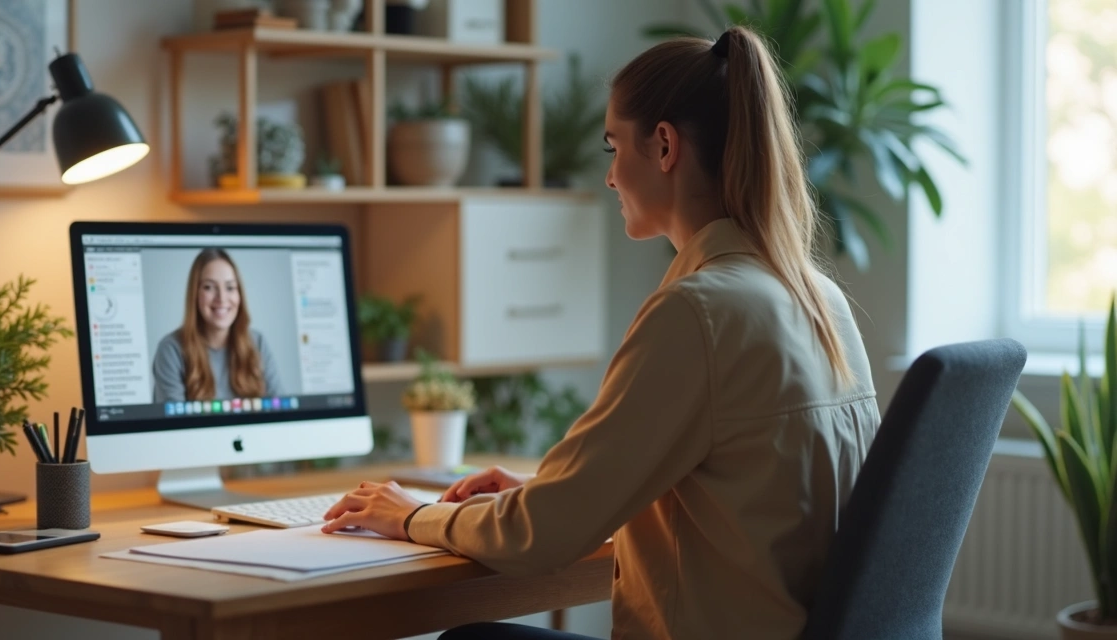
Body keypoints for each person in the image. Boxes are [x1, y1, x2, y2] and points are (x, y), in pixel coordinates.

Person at [321, 26, 881, 639]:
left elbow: (539, 539)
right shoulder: (821, 298)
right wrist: (555, 491)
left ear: (664, 146)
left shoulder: (696, 313)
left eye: (614, 148)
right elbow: (750, 496)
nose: (611, 178)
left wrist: (414, 516)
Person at [152, 248, 283, 403]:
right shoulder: (171, 349)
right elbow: (173, 423)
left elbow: (280, 407)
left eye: (230, 287)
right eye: (209, 287)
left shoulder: (257, 342)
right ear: (195, 294)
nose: (221, 298)